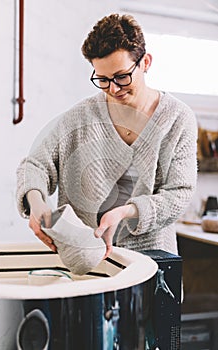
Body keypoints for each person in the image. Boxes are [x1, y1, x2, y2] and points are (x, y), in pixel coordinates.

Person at [16, 13, 197, 259]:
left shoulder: (177, 118)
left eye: (122, 76)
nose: (113, 89)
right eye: (102, 79)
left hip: (152, 259)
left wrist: (127, 211)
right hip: (89, 260)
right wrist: (36, 203)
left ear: (145, 63)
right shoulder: (80, 117)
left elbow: (180, 192)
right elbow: (34, 165)